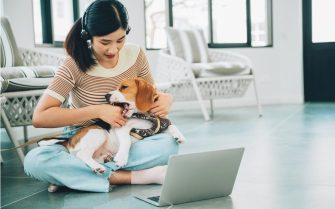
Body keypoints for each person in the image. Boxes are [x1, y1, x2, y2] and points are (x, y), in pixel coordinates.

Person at [24, 0, 179, 193]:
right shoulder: (73, 65)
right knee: (35, 161)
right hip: (83, 139)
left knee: (169, 145)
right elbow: (40, 117)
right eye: (105, 42)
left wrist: (166, 98)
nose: (113, 50)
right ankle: (131, 177)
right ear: (88, 36)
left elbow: (150, 94)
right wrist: (98, 110)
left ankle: (75, 174)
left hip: (129, 139)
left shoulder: (136, 55)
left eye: (120, 40)